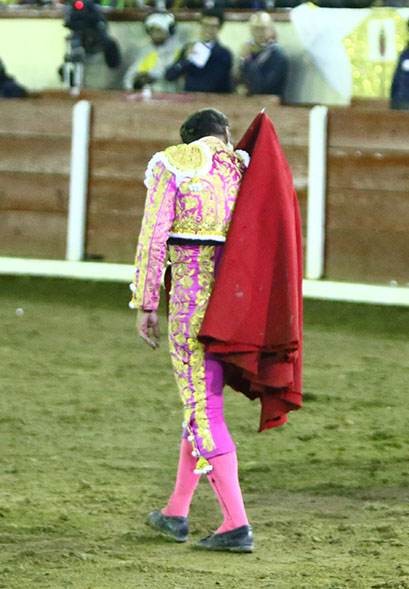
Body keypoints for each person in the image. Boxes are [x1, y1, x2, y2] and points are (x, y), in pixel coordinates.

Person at [132, 109, 253, 552]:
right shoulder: (242, 168)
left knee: (204, 410)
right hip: (235, 304)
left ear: (188, 138)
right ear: (224, 134)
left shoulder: (175, 162)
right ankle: (176, 511)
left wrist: (147, 301)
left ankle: (236, 524)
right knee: (204, 403)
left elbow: (153, 238)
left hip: (192, 298)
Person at [165, 9, 233, 94]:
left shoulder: (224, 54)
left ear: (220, 28)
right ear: (200, 25)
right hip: (190, 98)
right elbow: (169, 76)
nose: (208, 30)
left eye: (213, 26)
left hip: (213, 99)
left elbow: (224, 84)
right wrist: (185, 61)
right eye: (205, 25)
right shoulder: (188, 48)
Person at [59, 0, 122, 90]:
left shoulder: (107, 44)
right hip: (83, 90)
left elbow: (114, 67)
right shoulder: (76, 44)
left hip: (105, 90)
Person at [123, 11, 181, 93]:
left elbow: (172, 75)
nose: (154, 34)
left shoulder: (178, 49)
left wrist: (153, 76)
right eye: (151, 30)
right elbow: (129, 78)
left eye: (158, 30)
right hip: (146, 97)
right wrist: (136, 81)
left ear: (169, 31)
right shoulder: (146, 50)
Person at [235, 11, 288, 98]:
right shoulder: (247, 49)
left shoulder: (278, 57)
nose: (259, 33)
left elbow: (262, 88)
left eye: (263, 28)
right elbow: (236, 79)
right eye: (255, 28)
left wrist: (248, 60)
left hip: (269, 103)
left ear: (271, 30)